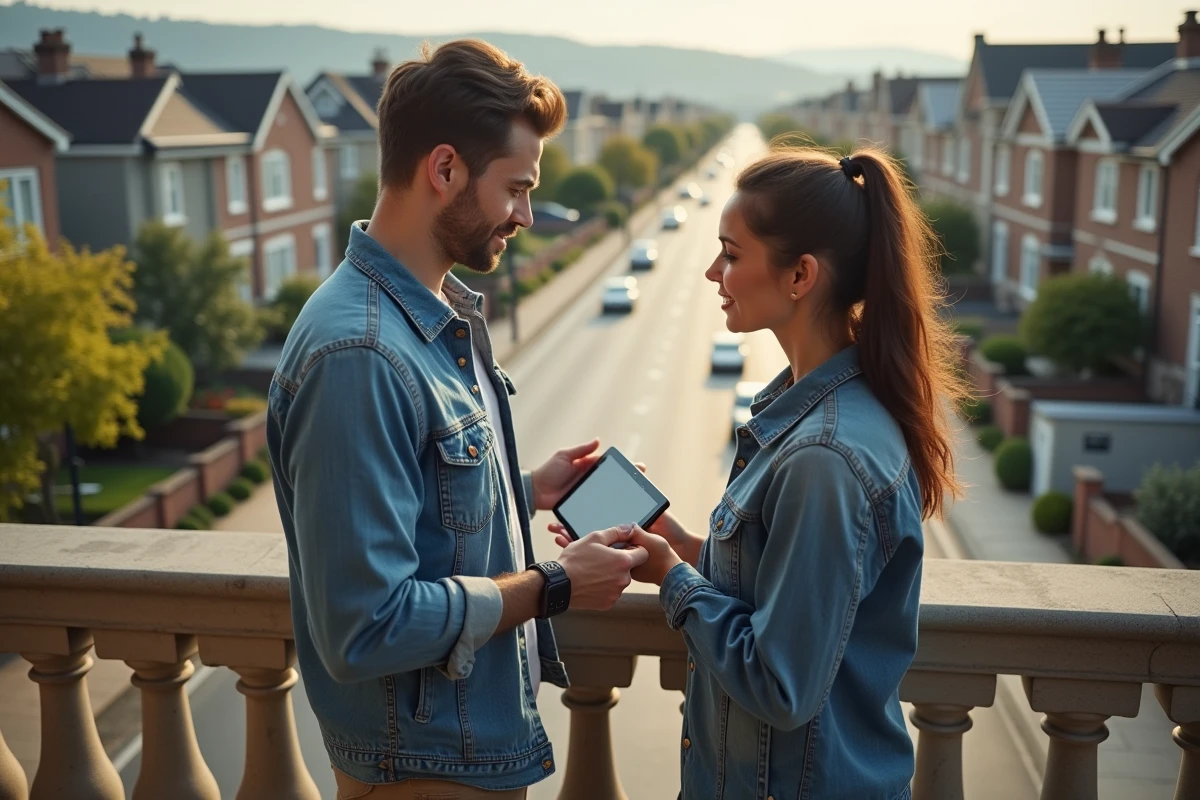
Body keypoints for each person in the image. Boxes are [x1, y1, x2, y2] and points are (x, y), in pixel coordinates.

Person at [267, 39, 646, 800]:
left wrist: (521, 488)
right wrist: (554, 584)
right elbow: (366, 625)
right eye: (516, 189)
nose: (527, 215)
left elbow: (418, 502)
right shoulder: (360, 353)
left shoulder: (423, 315)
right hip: (422, 771)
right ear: (444, 169)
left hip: (453, 759)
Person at [553, 146, 966, 799]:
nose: (713, 272)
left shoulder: (824, 458)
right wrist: (679, 545)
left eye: (731, 254)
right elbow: (778, 589)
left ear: (800, 275)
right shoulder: (821, 414)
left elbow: (780, 684)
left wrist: (674, 579)